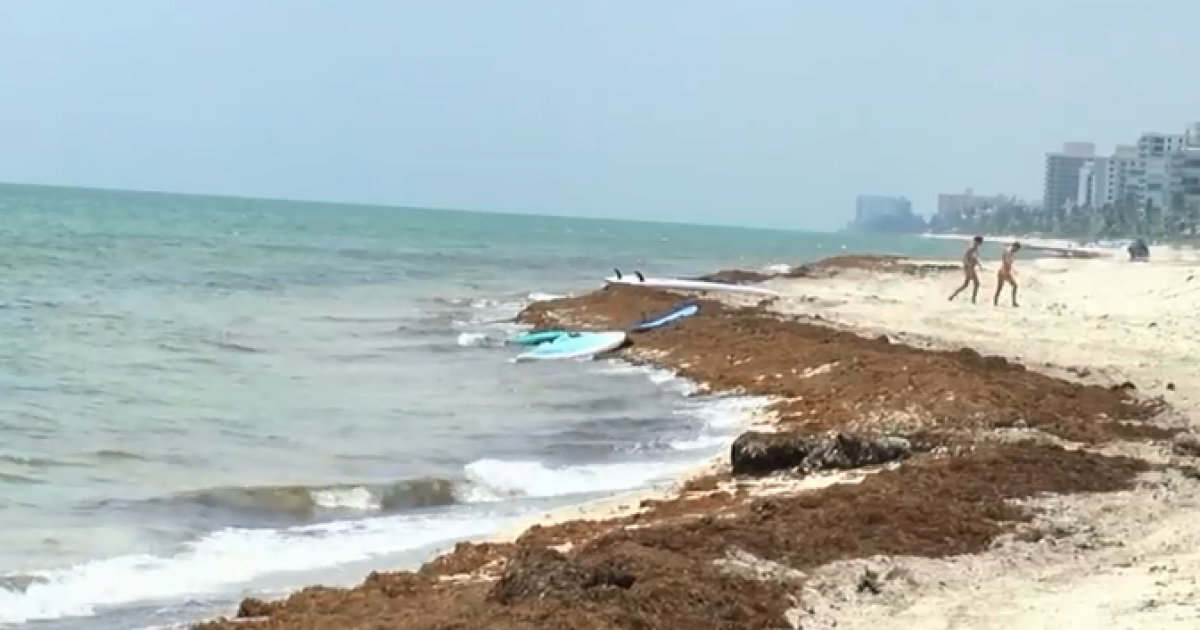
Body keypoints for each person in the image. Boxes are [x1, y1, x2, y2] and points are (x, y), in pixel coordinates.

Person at [948, 235, 984, 303]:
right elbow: (965, 257)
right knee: (977, 284)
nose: (981, 244)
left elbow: (974, 258)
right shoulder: (972, 247)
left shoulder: (974, 247)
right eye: (981, 242)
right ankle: (973, 300)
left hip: (969, 267)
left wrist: (979, 266)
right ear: (978, 242)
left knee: (966, 285)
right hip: (969, 268)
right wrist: (969, 265)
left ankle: (952, 296)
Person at [994, 241, 1022, 307]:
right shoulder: (1009, 252)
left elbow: (1005, 260)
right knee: (1015, 286)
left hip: (1001, 270)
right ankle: (1014, 302)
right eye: (1017, 249)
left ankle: (995, 302)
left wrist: (1013, 270)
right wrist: (1008, 271)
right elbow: (1007, 262)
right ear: (1015, 247)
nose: (1017, 251)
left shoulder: (1008, 251)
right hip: (1005, 272)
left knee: (999, 287)